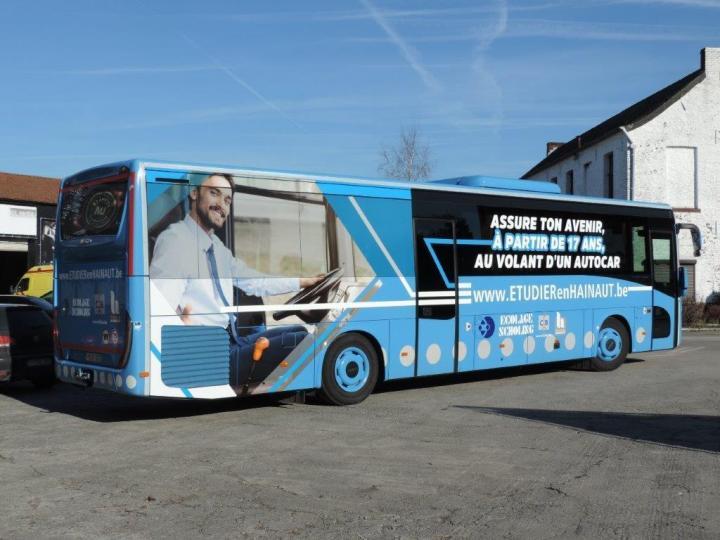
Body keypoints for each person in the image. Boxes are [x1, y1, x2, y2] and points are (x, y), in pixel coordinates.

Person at [149, 172, 323, 390]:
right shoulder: (176, 240)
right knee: (304, 341)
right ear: (194, 193)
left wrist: (304, 281)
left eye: (228, 200)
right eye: (214, 193)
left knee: (299, 332)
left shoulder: (218, 249)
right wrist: (182, 331)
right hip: (207, 352)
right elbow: (160, 304)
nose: (222, 204)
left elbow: (255, 281)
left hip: (229, 341)